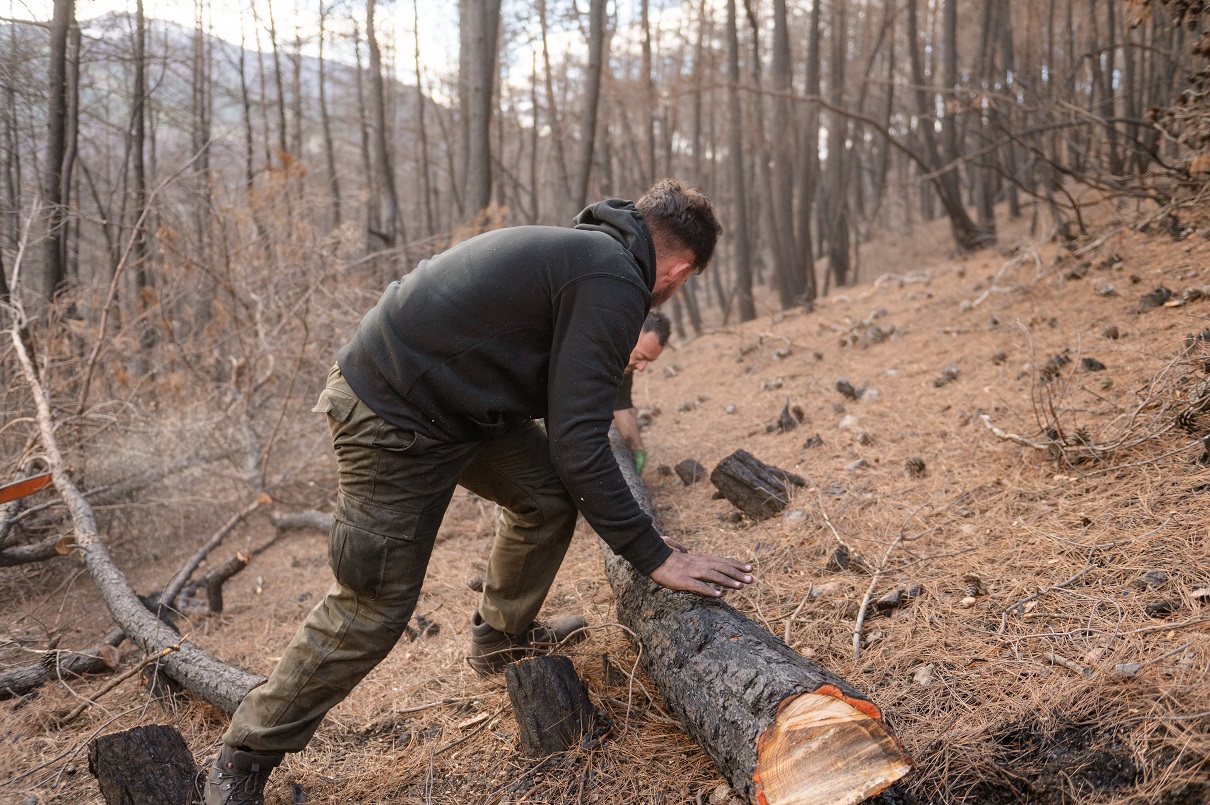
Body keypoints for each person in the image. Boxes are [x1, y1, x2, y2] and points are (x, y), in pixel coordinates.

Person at [205, 179, 755, 804]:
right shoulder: (612, 278)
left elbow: (564, 417)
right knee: (373, 605)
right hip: (393, 413)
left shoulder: (591, 256)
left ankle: (499, 638)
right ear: (679, 269)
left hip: (452, 407)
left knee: (546, 495)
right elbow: (579, 439)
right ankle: (246, 753)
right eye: (681, 281)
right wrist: (656, 556)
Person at [615, 310, 672, 474]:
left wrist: (637, 450)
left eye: (648, 361)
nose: (642, 368)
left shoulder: (625, 363)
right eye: (640, 357)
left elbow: (622, 407)